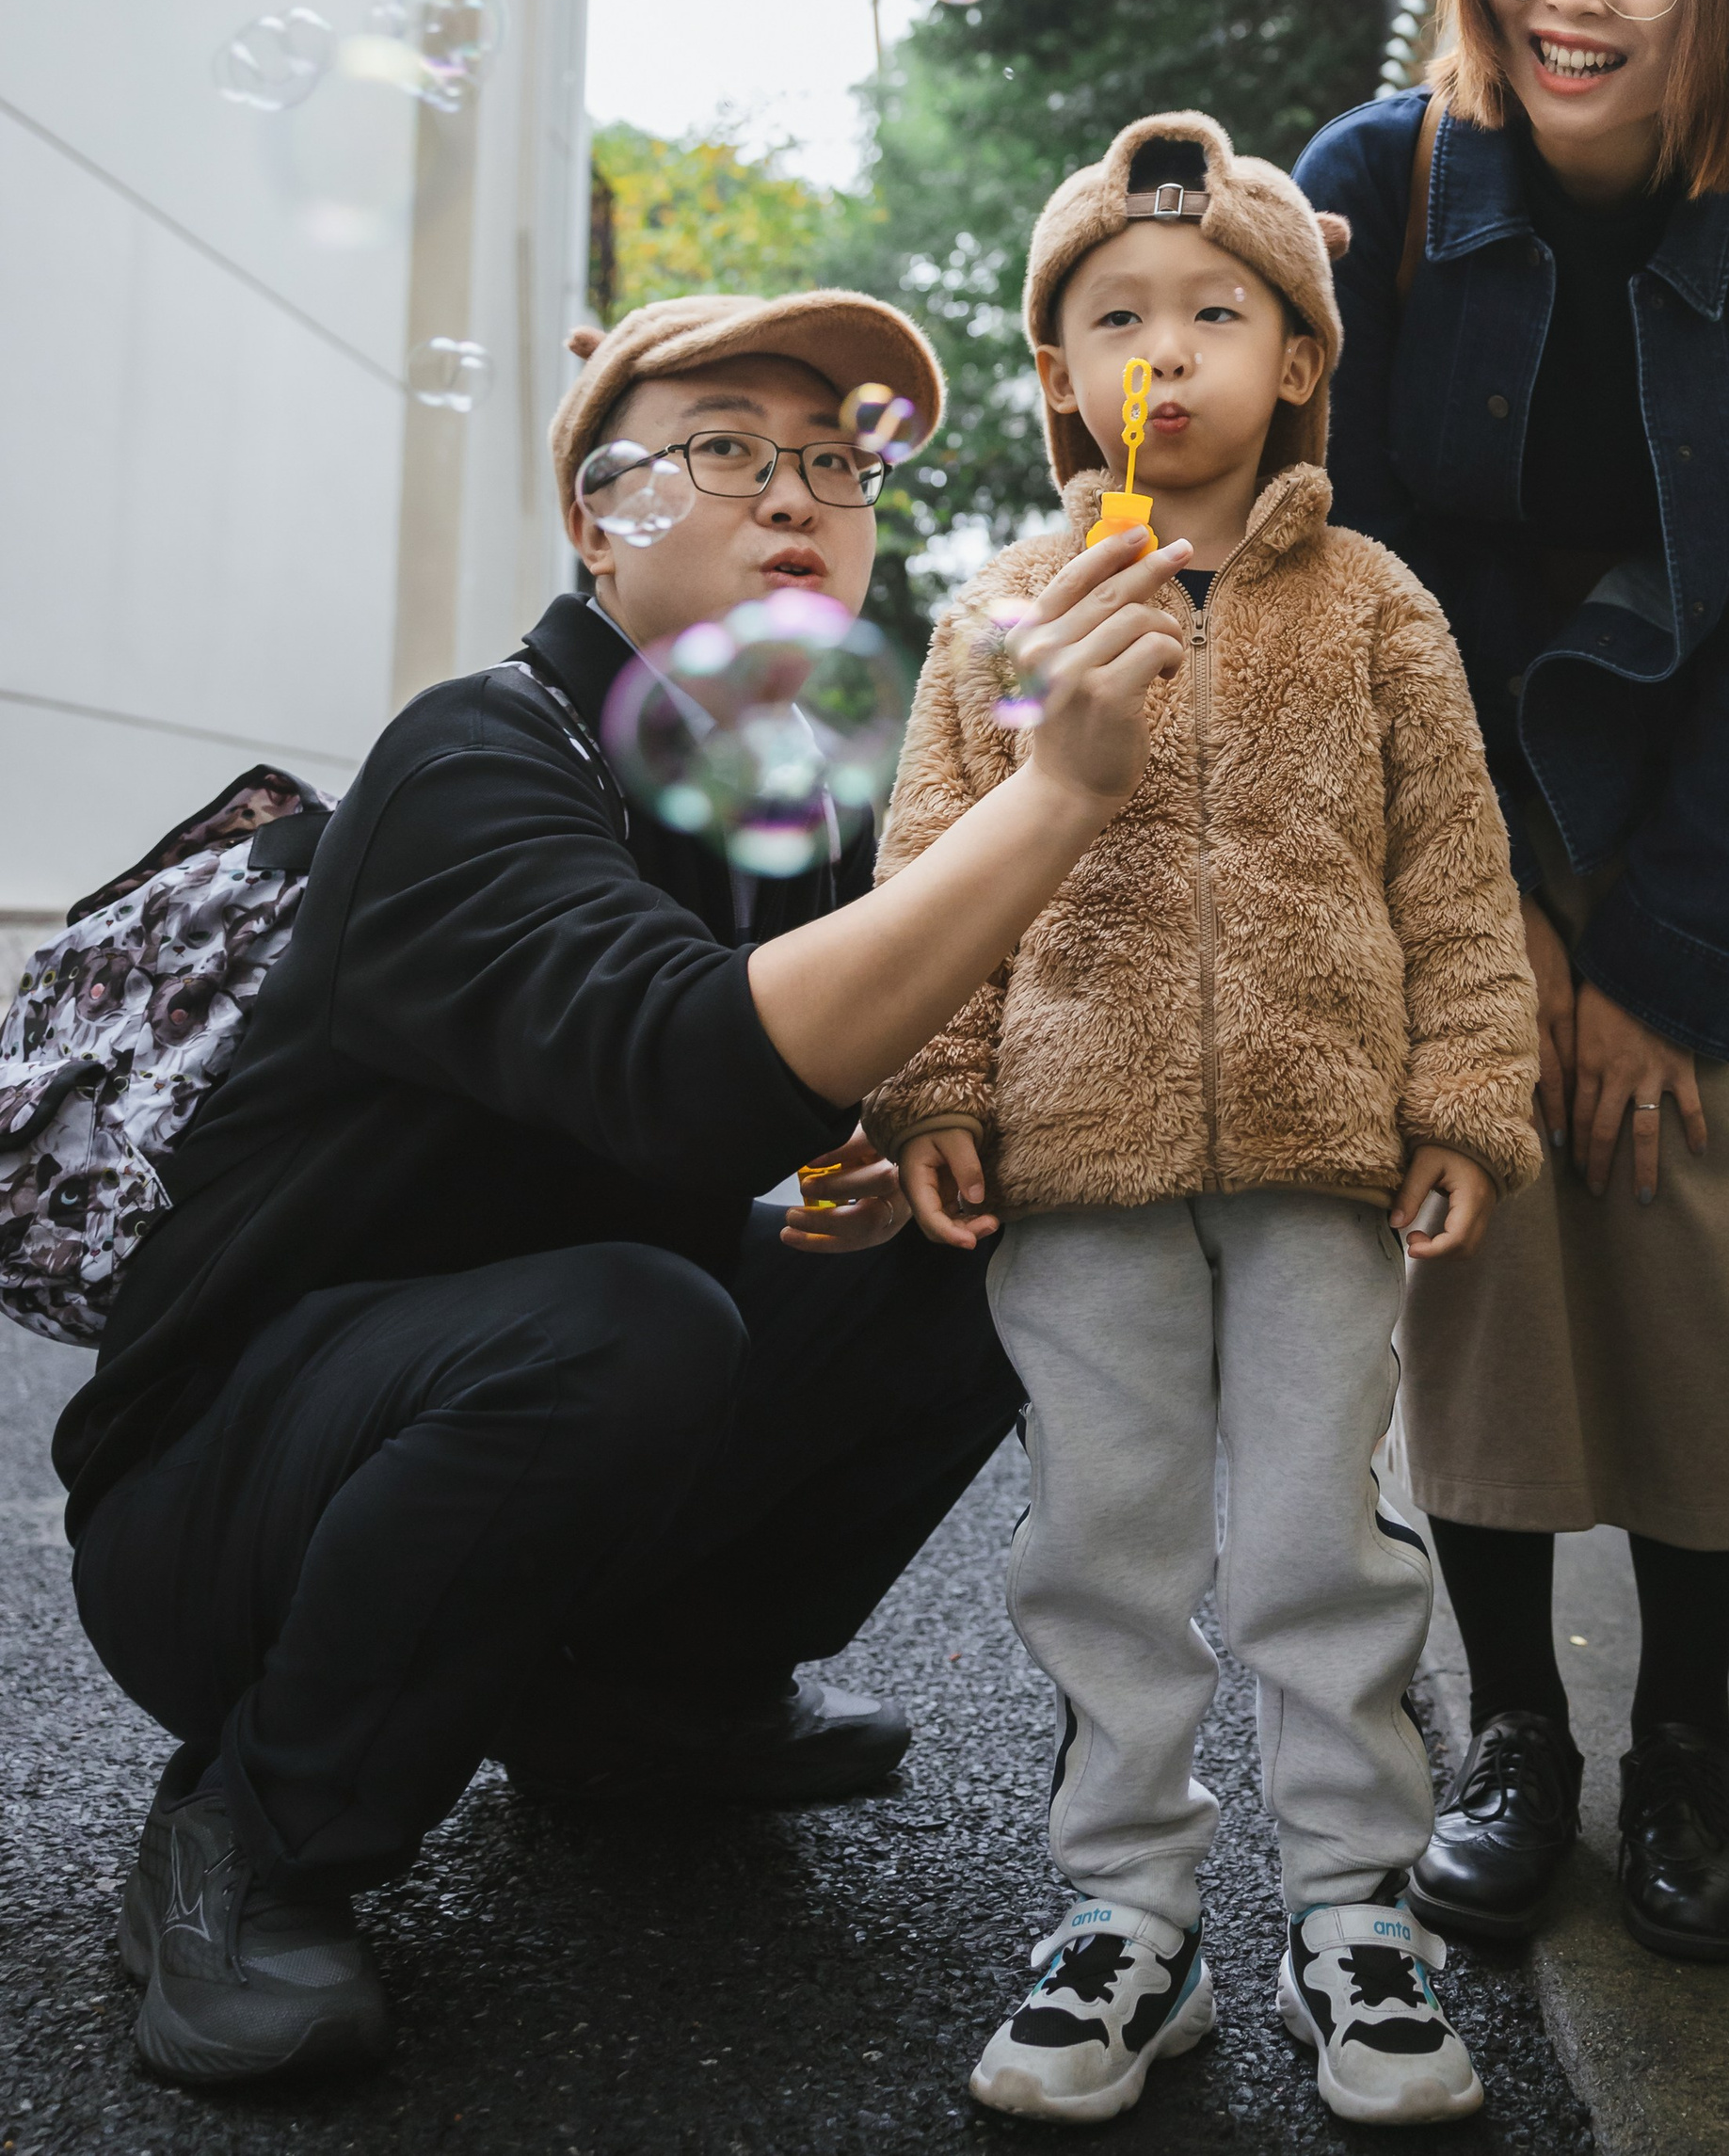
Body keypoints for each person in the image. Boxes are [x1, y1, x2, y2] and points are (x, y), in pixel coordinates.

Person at [54, 286, 1196, 2091]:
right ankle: (256, 1831)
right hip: (226, 1506)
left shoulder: (800, 807)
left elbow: (856, 1079)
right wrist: (1054, 795)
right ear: (596, 518)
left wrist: (902, 1156)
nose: (796, 492)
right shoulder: (473, 752)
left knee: (998, 1200)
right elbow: (680, 1070)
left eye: (837, 458)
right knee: (630, 1319)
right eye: (728, 447)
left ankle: (644, 1700)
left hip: (537, 1401)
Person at [863, 114, 1542, 2127]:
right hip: (1074, 1161)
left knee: (1315, 1540)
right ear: (1056, 374)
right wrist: (931, 1083)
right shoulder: (1003, 610)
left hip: (1328, 1158)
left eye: (1214, 311)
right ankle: (1123, 1923)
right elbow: (930, 853)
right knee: (1101, 1535)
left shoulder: (1376, 609)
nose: (1163, 350)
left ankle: (1352, 1913)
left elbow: (1454, 874)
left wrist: (1464, 1101)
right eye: (1112, 317)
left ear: (1301, 356)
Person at [1295, 0, 1729, 1965]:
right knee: (1482, 1257)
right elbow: (1328, 566)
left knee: (1665, 1238)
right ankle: (1518, 1729)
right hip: (1425, 798)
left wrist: (1653, 965)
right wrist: (1486, 928)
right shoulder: (1373, 184)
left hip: (1672, 828)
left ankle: (1683, 1753)